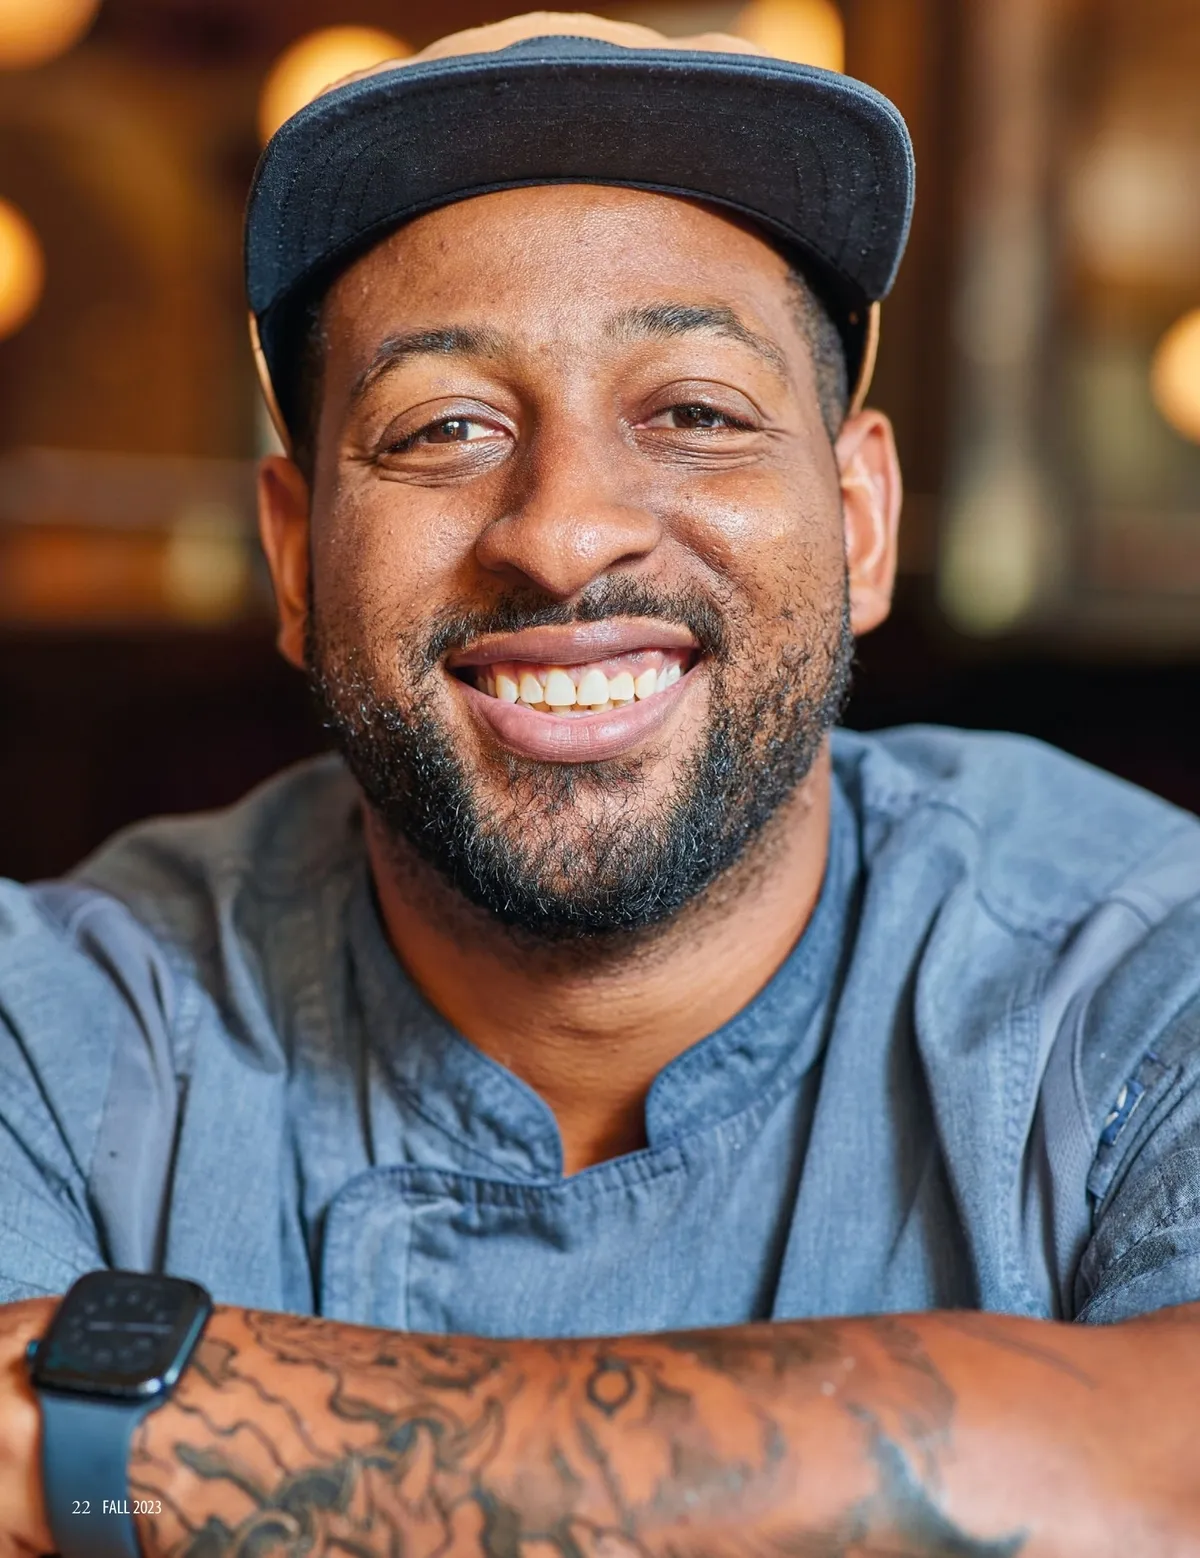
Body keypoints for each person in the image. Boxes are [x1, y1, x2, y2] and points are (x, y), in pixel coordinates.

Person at [1, 13, 1199, 1555]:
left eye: (693, 413)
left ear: (861, 520)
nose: (564, 534)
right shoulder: (58, 1022)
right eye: (445, 428)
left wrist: (143, 1426)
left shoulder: (1141, 976)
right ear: (295, 559)